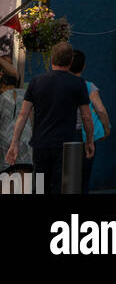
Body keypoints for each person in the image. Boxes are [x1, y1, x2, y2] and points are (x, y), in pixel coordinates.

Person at [4, 41, 94, 193]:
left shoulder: (36, 82)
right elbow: (86, 116)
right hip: (66, 145)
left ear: (52, 59)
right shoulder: (78, 84)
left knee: (40, 187)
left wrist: (14, 143)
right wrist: (89, 141)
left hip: (41, 144)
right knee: (63, 188)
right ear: (70, 61)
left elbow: (23, 114)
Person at [70, 49, 110, 194]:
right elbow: (100, 110)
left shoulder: (60, 84)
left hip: (62, 134)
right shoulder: (88, 86)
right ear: (83, 66)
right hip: (84, 135)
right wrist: (106, 128)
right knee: (83, 177)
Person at [0, 57, 32, 183]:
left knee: (6, 180)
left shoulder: (2, 98)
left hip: (5, 141)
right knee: (25, 181)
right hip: (25, 139)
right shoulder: (26, 94)